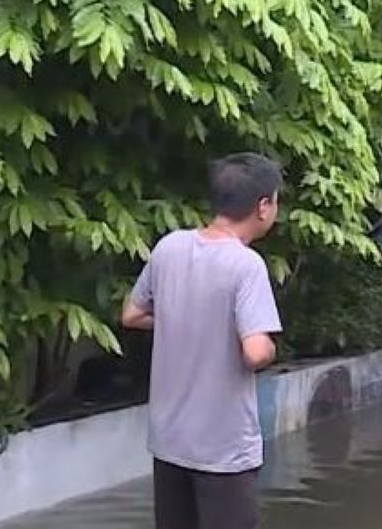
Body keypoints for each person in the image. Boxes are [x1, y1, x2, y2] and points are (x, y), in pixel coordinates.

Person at [121, 153, 285, 529]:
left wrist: (186, 319)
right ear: (262, 207)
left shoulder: (169, 247)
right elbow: (256, 352)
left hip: (170, 443)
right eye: (276, 201)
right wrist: (267, 345)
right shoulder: (246, 265)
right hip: (222, 451)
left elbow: (131, 314)